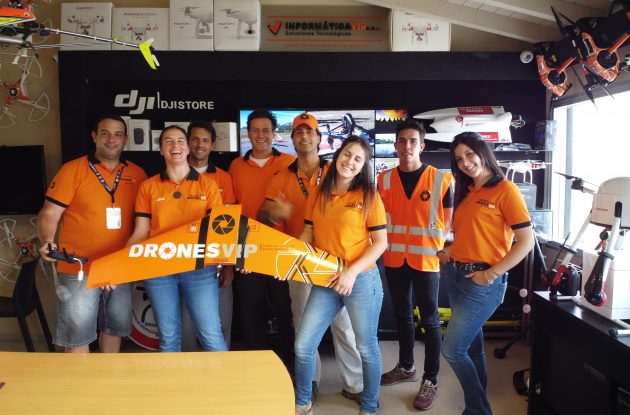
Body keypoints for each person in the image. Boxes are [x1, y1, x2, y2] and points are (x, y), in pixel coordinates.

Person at [258, 113, 363, 403]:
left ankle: (355, 384)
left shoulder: (336, 172)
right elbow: (263, 216)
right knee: (305, 326)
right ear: (292, 139)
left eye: (309, 132)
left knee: (344, 326)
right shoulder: (281, 176)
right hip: (300, 262)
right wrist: (274, 212)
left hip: (334, 260)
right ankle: (311, 380)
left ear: (319, 137)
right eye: (298, 133)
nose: (304, 137)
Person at [439, 132, 534, 415]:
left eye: (469, 154)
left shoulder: (506, 190)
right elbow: (473, 235)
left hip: (482, 283)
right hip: (457, 276)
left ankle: (480, 410)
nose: (465, 162)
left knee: (452, 350)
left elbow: (526, 241)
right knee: (472, 348)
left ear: (482, 152)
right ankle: (474, 409)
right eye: (459, 159)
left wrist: (492, 273)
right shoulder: (467, 191)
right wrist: (450, 251)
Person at [37, 113, 147, 353]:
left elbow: (145, 223)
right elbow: (49, 214)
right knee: (77, 337)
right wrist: (47, 240)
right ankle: (79, 379)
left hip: (119, 267)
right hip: (78, 266)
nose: (111, 139)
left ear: (125, 139)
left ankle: (107, 378)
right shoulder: (72, 170)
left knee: (114, 329)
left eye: (118, 134)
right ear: (94, 137)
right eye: (105, 133)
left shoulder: (138, 174)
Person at [294, 136, 387, 415]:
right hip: (326, 279)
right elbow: (308, 232)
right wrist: (290, 262)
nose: (350, 162)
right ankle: (302, 402)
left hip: (361, 280)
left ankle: (369, 406)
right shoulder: (318, 192)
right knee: (303, 345)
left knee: (366, 347)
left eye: (358, 159)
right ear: (337, 155)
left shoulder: (368, 196)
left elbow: (381, 243)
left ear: (363, 166)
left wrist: (351, 272)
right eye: (347, 154)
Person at [126, 125, 227, 353]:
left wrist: (228, 260)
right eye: (169, 141)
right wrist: (117, 267)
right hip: (159, 269)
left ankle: (224, 378)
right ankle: (172, 379)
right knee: (168, 337)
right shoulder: (148, 187)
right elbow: (140, 233)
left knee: (211, 336)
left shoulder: (208, 185)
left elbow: (218, 231)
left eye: (181, 141)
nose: (175, 146)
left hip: (199, 269)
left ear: (188, 147)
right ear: (161, 149)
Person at [377, 118, 453, 410]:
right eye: (402, 140)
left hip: (426, 260)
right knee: (402, 315)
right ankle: (406, 366)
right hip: (395, 258)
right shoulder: (383, 179)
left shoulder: (441, 179)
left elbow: (449, 223)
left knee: (430, 322)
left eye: (412, 141)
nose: (407, 145)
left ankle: (430, 379)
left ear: (421, 145)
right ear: (396, 145)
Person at [228, 108, 296, 370]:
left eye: (266, 130)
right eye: (255, 130)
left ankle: (288, 365)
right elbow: (232, 211)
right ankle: (256, 367)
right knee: (250, 310)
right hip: (248, 251)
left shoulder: (289, 162)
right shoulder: (236, 166)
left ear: (274, 132)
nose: (260, 135)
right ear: (248, 132)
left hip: (282, 250)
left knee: (285, 310)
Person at [182, 120, 235, 348]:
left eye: (205, 140)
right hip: (185, 260)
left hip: (216, 262)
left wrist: (229, 266)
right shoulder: (176, 174)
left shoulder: (224, 178)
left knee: (220, 323)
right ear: (187, 143)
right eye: (194, 139)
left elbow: (229, 224)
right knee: (185, 325)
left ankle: (220, 367)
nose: (199, 145)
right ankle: (188, 369)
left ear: (213, 145)